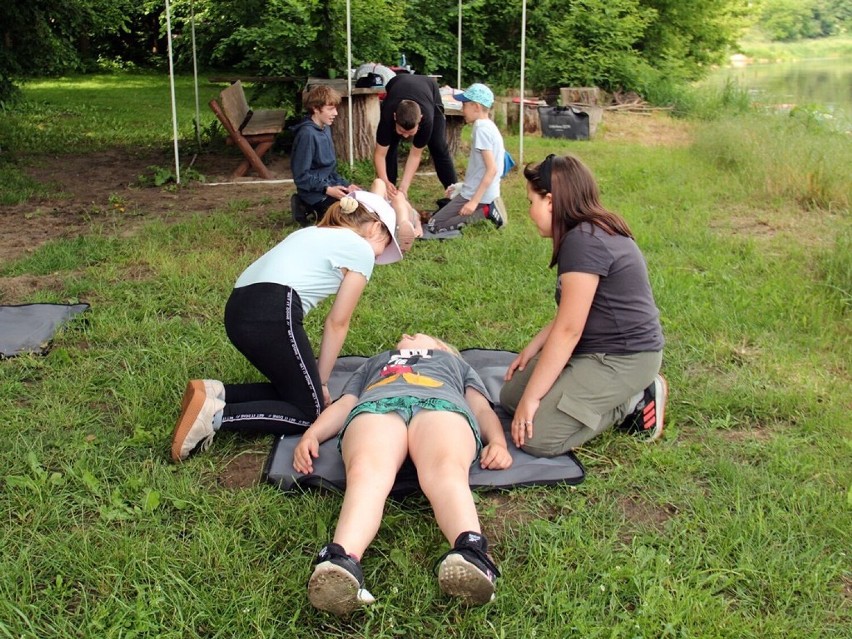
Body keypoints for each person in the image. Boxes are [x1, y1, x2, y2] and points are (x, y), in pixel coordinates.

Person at [170, 195, 403, 463]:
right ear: (375, 227)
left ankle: (215, 392)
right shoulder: (360, 249)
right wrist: (323, 381)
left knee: (296, 391)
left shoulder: (312, 233)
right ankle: (215, 416)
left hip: (239, 310)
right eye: (382, 248)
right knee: (309, 411)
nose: (377, 256)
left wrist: (315, 384)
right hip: (272, 311)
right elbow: (337, 322)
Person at [293, 333, 513, 615]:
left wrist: (497, 441)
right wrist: (312, 435)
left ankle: (471, 552)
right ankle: (340, 559)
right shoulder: (374, 363)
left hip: (441, 405)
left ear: (440, 347)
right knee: (366, 471)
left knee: (446, 468)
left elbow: (481, 408)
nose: (407, 335)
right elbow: (345, 404)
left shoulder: (456, 364)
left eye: (418, 334)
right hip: (377, 406)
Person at [500, 154, 667, 458]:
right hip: (592, 348)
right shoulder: (584, 232)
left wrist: (534, 398)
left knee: (537, 437)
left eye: (530, 202)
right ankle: (578, 392)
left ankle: (633, 401)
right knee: (511, 397)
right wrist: (534, 346)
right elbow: (572, 313)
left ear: (550, 201)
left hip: (625, 358)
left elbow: (569, 330)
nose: (529, 212)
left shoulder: (584, 241)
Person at [427, 83, 507, 233]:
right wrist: (461, 186)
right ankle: (484, 208)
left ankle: (484, 213)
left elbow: (492, 169)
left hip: (476, 195)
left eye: (464, 105)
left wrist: (473, 201)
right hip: (479, 191)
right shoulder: (488, 125)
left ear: (476, 107)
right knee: (441, 215)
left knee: (433, 225)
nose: (461, 109)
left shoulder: (481, 129)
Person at [373, 74, 457, 201]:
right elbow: (380, 154)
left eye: (411, 132)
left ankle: (453, 193)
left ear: (420, 120)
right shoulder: (388, 116)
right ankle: (389, 192)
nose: (406, 136)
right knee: (391, 145)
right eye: (401, 130)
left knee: (438, 145)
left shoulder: (427, 119)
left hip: (429, 91)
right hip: (396, 84)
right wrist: (384, 180)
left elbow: (415, 155)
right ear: (395, 117)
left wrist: (404, 187)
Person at [290, 85, 359, 225]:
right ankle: (304, 204)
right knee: (346, 219)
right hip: (314, 192)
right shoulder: (307, 135)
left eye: (335, 108)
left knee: (360, 206)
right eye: (330, 109)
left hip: (328, 185)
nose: (336, 113)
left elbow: (329, 169)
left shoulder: (325, 128)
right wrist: (327, 190)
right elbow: (301, 176)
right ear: (316, 108)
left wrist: (346, 185)